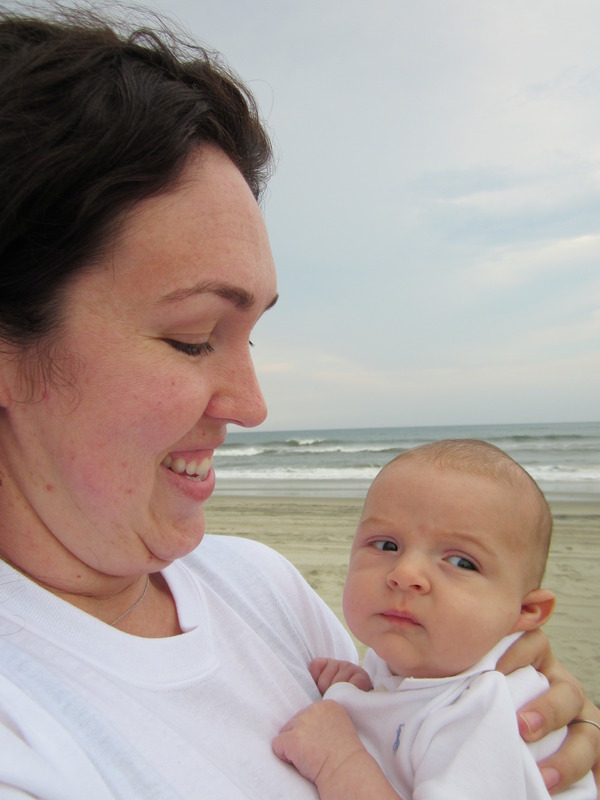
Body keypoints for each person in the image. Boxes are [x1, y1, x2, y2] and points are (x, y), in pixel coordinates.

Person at [0, 5, 598, 798]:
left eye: (251, 338)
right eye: (193, 337)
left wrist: (485, 702)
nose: (252, 406)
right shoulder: (24, 734)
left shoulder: (260, 587)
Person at [273, 440, 598, 798]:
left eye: (461, 562)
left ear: (526, 612)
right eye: (387, 545)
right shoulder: (413, 666)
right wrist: (366, 696)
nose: (405, 573)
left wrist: (339, 761)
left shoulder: (487, 708)